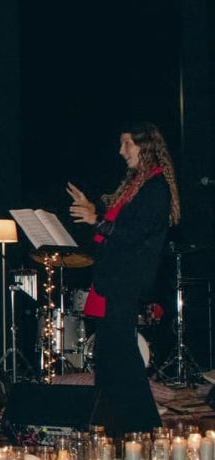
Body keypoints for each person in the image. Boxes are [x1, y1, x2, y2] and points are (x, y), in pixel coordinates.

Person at [68, 122, 180, 436]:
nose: (121, 151)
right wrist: (93, 212)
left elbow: (131, 234)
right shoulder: (136, 186)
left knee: (121, 355)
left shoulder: (156, 187)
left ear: (145, 146)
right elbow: (114, 229)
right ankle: (115, 421)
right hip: (115, 278)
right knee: (109, 356)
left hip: (127, 280)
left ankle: (142, 424)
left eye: (126, 143)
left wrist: (95, 219)